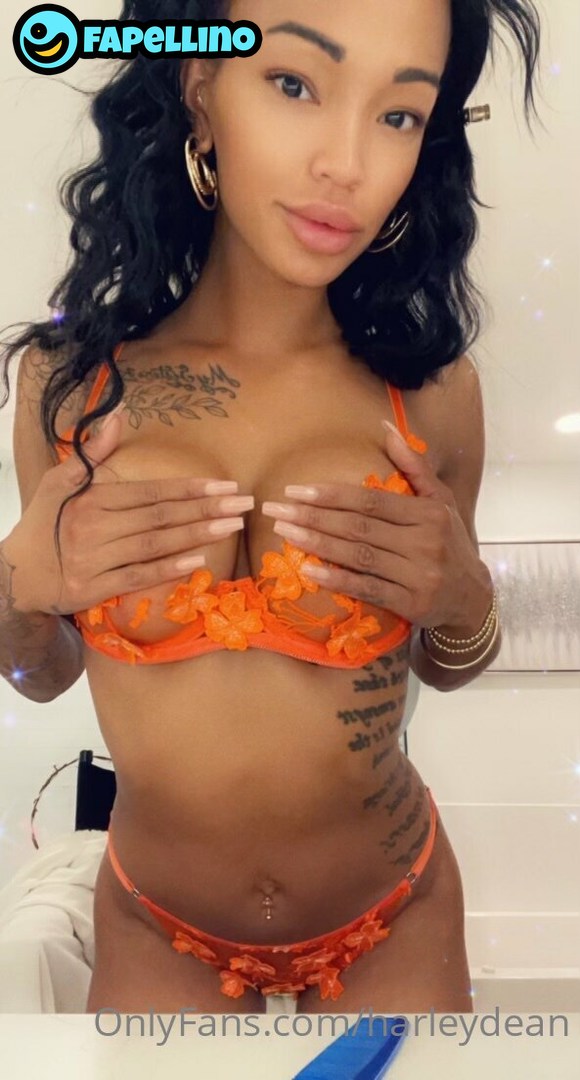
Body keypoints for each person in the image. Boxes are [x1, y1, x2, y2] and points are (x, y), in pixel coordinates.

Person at [0, 0, 542, 1014]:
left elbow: (445, 661)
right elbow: (41, 674)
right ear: (201, 90)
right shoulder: (66, 389)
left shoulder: (430, 392)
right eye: (295, 84)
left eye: (398, 114)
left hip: (395, 914)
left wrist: (467, 603)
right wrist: (15, 590)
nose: (348, 164)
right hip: (157, 923)